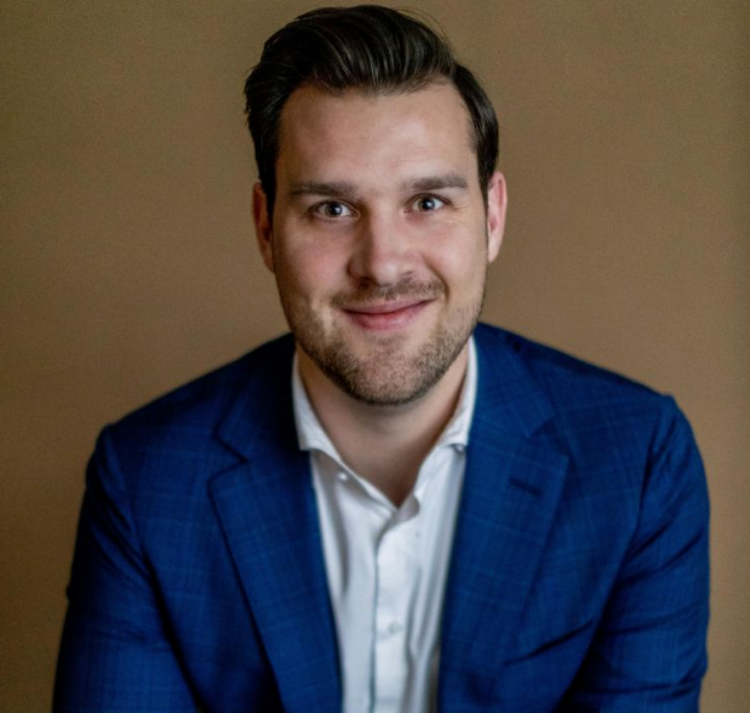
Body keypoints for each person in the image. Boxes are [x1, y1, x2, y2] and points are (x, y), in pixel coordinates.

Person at [54, 5, 709, 712]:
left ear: (492, 216)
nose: (384, 263)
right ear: (266, 228)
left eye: (427, 201)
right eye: (332, 209)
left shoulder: (637, 461)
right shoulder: (147, 480)